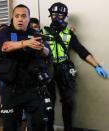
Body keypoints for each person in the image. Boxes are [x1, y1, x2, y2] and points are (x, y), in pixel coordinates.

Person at [44, 2, 108, 131]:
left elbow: (81, 51)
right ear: (50, 15)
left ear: (65, 17)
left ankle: (68, 128)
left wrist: (97, 66)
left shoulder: (68, 34)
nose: (57, 17)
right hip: (48, 69)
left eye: (61, 15)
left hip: (63, 68)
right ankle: (49, 128)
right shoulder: (42, 32)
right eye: (54, 14)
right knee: (48, 103)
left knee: (68, 101)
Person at [0, 4, 50, 131]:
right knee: (10, 126)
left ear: (28, 18)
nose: (20, 19)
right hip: (11, 89)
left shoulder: (35, 33)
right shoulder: (5, 32)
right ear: (13, 18)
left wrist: (42, 48)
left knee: (39, 124)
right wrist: (26, 43)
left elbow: (48, 53)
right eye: (17, 16)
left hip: (32, 88)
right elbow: (5, 47)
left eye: (24, 16)